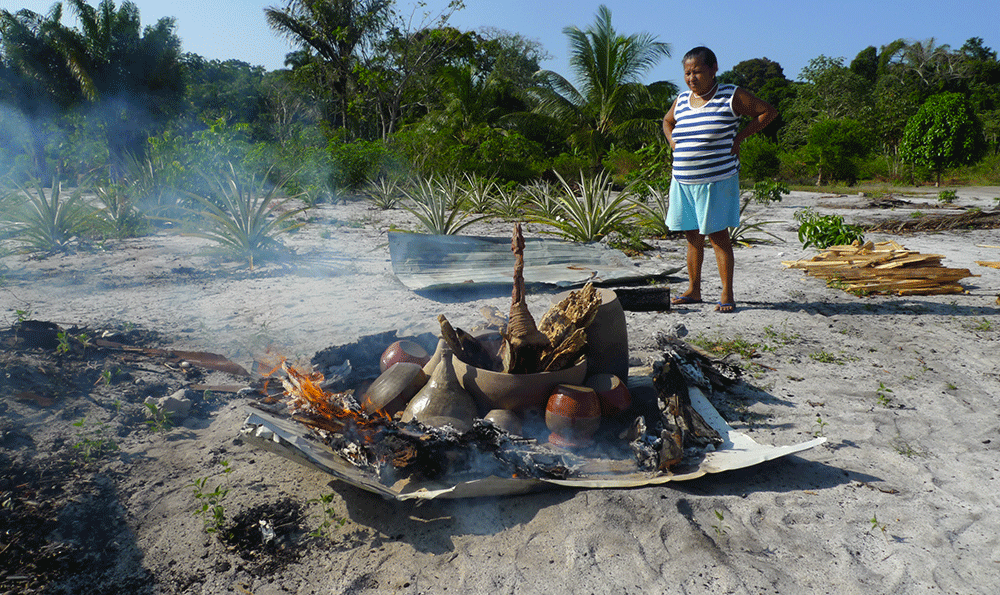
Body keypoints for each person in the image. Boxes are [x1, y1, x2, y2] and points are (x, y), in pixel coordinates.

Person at [662, 46, 777, 313]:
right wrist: (672, 141)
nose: (692, 77)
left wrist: (739, 137)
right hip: (682, 181)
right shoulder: (681, 99)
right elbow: (667, 121)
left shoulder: (730, 95)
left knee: (718, 237)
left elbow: (767, 112)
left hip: (716, 180)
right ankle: (694, 290)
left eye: (698, 71)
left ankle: (727, 293)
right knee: (692, 237)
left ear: (714, 69)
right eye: (687, 72)